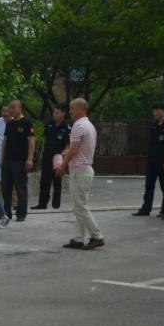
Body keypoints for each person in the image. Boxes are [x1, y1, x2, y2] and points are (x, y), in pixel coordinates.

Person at [57, 98, 105, 250]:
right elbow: (77, 149)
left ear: (81, 109)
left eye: (72, 108)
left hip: (80, 171)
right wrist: (69, 153)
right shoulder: (88, 125)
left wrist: (62, 165)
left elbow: (74, 149)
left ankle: (97, 236)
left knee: (80, 206)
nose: (70, 111)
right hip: (83, 169)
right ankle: (79, 238)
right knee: (79, 206)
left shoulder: (78, 126)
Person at [135, 102, 164, 219]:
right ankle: (146, 208)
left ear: (163, 110)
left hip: (163, 161)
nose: (155, 113)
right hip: (152, 160)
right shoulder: (154, 126)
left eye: (157, 110)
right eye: (153, 111)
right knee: (149, 185)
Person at [0, 99, 36, 222]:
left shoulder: (27, 122)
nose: (10, 110)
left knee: (20, 187)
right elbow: (5, 141)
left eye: (13, 108)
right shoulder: (9, 123)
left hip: (20, 160)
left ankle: (21, 214)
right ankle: (7, 213)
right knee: (6, 188)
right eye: (9, 108)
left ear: (20, 108)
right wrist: (2, 158)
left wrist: (30, 159)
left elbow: (31, 141)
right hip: (7, 160)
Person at [34, 105, 71, 210]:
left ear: (63, 113)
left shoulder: (66, 127)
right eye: (54, 112)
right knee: (44, 181)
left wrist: (64, 160)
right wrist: (42, 153)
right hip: (47, 156)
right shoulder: (50, 123)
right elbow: (45, 140)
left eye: (57, 113)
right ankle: (42, 204)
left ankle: (56, 205)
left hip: (58, 158)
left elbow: (68, 146)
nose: (54, 115)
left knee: (57, 182)